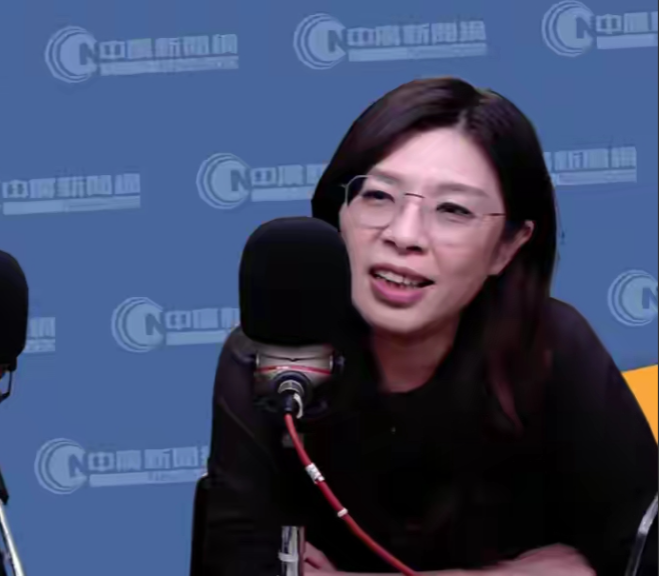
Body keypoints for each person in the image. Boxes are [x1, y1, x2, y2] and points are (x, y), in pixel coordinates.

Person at [200, 77, 658, 576]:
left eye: (453, 209)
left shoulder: (553, 347)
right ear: (339, 213)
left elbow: (641, 554)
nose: (404, 235)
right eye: (379, 196)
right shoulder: (273, 353)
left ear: (507, 246)